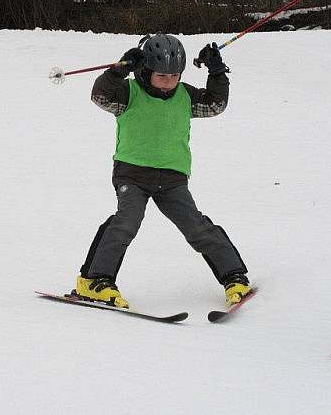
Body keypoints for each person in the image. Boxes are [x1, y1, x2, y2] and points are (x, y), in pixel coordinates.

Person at [73, 33, 250, 308]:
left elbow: (215, 105)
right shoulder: (128, 93)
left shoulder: (185, 95)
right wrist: (118, 70)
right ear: (145, 70)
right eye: (162, 76)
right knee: (126, 223)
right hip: (132, 174)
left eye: (174, 76)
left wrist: (216, 71)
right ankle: (95, 281)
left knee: (197, 227)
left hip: (172, 178)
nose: (169, 82)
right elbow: (100, 95)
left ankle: (234, 276)